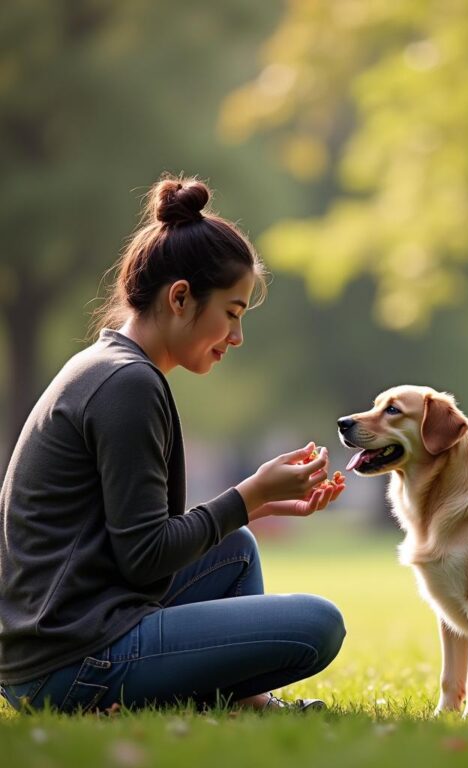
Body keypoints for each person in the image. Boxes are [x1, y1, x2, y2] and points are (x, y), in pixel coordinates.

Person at [0, 176, 347, 714]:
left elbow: (135, 545)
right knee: (318, 625)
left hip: (68, 639)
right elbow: (145, 559)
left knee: (234, 552)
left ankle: (248, 703)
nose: (237, 337)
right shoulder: (127, 385)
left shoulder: (110, 367)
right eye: (231, 313)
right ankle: (237, 698)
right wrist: (248, 497)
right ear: (180, 297)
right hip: (67, 665)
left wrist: (253, 502)